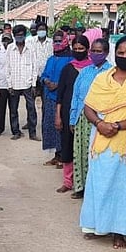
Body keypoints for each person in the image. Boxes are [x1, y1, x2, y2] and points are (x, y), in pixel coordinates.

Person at [79, 36, 126, 249]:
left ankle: (119, 231)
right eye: (120, 53)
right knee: (100, 182)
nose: (124, 56)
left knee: (125, 187)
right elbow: (88, 107)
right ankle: (96, 225)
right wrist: (99, 123)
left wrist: (118, 126)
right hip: (101, 137)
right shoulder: (102, 79)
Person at [69, 38, 113, 198]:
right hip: (82, 118)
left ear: (106, 53)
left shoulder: (111, 72)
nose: (95, 54)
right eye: (93, 51)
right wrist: (72, 118)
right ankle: (80, 187)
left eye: (99, 51)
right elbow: (76, 95)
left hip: (100, 119)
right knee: (80, 153)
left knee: (97, 154)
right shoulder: (85, 72)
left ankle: (95, 189)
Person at [54, 35, 94, 194]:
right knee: (67, 146)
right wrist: (58, 115)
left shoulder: (93, 69)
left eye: (81, 49)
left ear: (87, 49)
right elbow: (60, 94)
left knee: (85, 148)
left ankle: (85, 182)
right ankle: (68, 181)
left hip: (88, 115)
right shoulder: (68, 68)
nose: (78, 52)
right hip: (67, 112)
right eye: (75, 49)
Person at [40, 30, 73, 167]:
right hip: (49, 97)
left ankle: (63, 157)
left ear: (65, 41)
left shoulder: (71, 60)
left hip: (63, 99)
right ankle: (56, 155)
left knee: (61, 128)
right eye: (55, 41)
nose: (57, 43)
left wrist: (58, 85)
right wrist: (46, 81)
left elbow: (70, 79)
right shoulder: (51, 59)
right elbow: (44, 75)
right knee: (50, 127)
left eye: (60, 40)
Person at [5, 24, 39, 141]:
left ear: (25, 35)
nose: (20, 37)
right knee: (13, 109)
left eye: (22, 35)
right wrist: (9, 85)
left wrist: (34, 84)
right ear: (14, 36)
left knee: (31, 108)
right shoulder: (9, 48)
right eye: (17, 35)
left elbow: (35, 67)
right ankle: (16, 131)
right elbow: (7, 68)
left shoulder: (31, 48)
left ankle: (32, 133)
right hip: (14, 84)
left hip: (28, 84)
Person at [30, 22, 53, 99]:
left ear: (46, 31)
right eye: (40, 29)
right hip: (33, 75)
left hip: (47, 76)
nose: (41, 31)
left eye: (43, 29)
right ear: (36, 31)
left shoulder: (51, 42)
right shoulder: (30, 42)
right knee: (31, 100)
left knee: (45, 99)